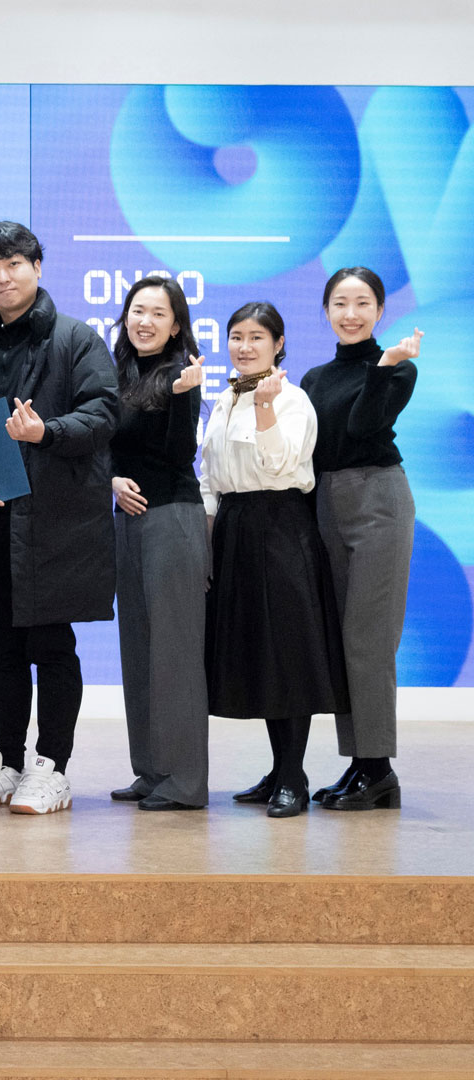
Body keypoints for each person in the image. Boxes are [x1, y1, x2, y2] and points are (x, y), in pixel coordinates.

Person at [0, 221, 118, 816]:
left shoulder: (76, 339)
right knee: (1, 649)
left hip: (55, 523)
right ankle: (7, 760)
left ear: (37, 267)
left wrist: (47, 432)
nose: (2, 278)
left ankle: (52, 767)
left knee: (51, 646)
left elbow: (104, 412)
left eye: (13, 264)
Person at [202, 302, 348, 818]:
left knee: (289, 653)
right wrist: (208, 537)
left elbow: (282, 463)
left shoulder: (293, 399)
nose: (245, 347)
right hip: (236, 528)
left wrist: (265, 409)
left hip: (282, 526)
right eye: (236, 336)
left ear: (279, 344)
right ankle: (280, 768)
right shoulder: (224, 398)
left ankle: (293, 776)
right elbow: (211, 475)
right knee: (260, 654)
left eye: (257, 337)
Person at [301, 267, 420, 812]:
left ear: (380, 310)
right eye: (340, 303)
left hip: (378, 501)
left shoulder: (397, 368)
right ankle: (361, 762)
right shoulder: (314, 378)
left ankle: (379, 770)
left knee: (370, 639)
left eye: (363, 303)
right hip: (327, 503)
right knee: (344, 642)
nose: (351, 314)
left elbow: (362, 426)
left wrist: (386, 364)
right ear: (326, 310)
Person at [106, 276, 210, 812]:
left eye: (158, 313)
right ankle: (150, 769)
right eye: (137, 310)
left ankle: (185, 780)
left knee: (176, 652)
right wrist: (111, 480)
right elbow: (103, 447)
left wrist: (182, 397)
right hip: (127, 522)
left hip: (172, 518)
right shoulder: (117, 374)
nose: (144, 321)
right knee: (139, 648)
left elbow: (176, 454)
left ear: (175, 325)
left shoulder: (179, 374)